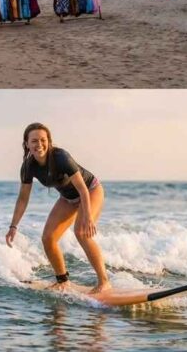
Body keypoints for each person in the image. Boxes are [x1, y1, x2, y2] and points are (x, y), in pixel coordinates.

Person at [6, 123, 110, 294]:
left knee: (82, 232)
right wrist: (13, 226)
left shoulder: (61, 157)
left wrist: (88, 217)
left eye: (43, 140)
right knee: (48, 237)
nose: (39, 144)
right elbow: (23, 199)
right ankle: (63, 281)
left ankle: (104, 282)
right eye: (34, 141)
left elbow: (83, 188)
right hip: (68, 198)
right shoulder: (27, 167)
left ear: (49, 141)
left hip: (90, 190)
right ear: (26, 144)